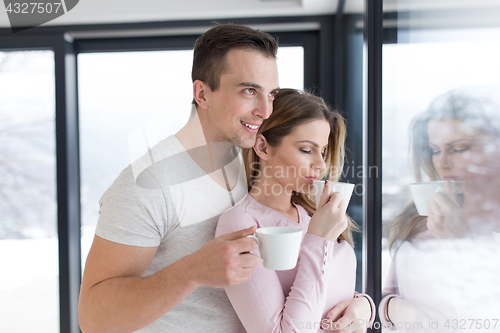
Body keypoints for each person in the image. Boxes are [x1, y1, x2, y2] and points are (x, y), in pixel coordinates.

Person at [78, 23, 281, 333]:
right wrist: (192, 271)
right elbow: (94, 318)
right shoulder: (148, 184)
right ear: (202, 93)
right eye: (249, 91)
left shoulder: (249, 159)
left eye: (272, 94)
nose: (265, 110)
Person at [216, 89, 376, 333]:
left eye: (322, 151)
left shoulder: (312, 213)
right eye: (306, 149)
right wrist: (319, 239)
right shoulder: (243, 223)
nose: (321, 164)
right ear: (263, 147)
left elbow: (326, 292)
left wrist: (364, 305)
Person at [378, 87, 500, 332]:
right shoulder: (418, 213)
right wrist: (396, 311)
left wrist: (461, 241)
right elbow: (388, 295)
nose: (442, 162)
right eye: (435, 150)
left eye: (459, 148)